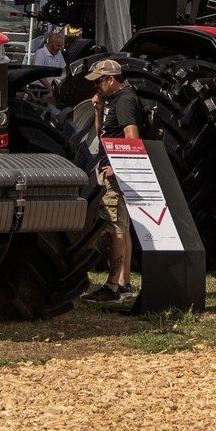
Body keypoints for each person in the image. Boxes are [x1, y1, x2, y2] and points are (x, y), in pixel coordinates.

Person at [84, 57, 142, 303]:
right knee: (121, 227)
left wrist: (119, 169)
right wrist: (97, 109)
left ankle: (112, 285)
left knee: (114, 229)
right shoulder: (112, 100)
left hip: (114, 172)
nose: (96, 86)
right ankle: (123, 282)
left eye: (98, 82)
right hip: (112, 167)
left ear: (110, 79)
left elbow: (132, 137)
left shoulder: (125, 101)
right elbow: (104, 134)